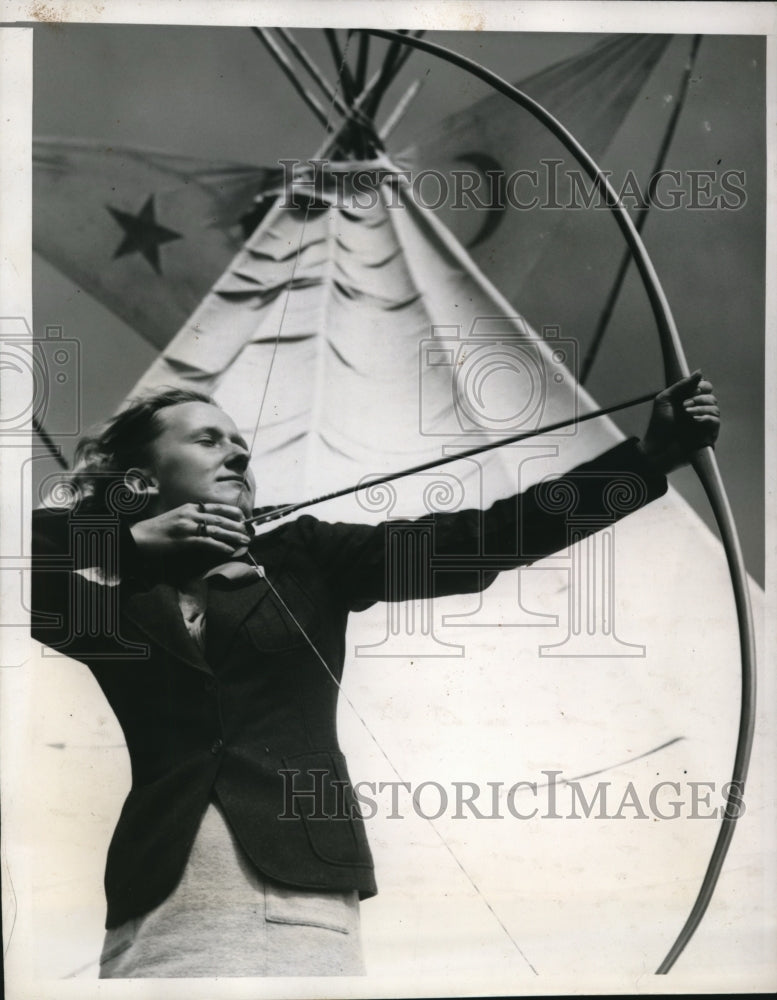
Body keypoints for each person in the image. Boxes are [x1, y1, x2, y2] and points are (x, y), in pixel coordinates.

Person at [30, 374, 720, 977]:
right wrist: (127, 541)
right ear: (142, 481)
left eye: (240, 443)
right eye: (208, 440)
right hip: (156, 907)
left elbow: (484, 538)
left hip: (296, 892)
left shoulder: (306, 557)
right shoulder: (112, 600)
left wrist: (645, 458)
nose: (238, 451)